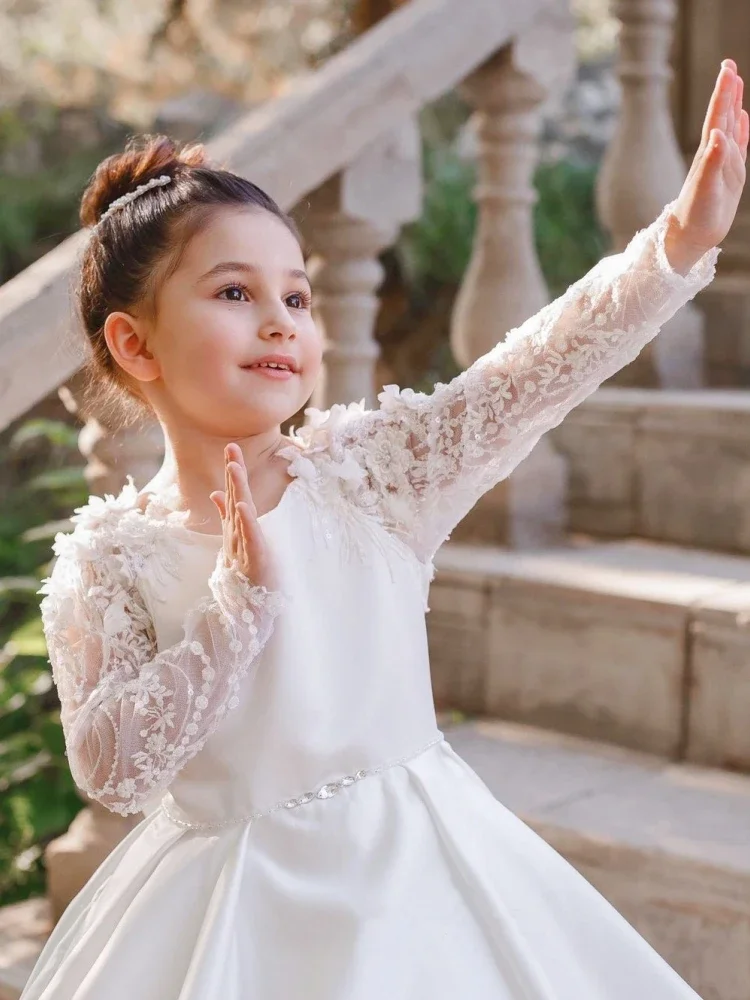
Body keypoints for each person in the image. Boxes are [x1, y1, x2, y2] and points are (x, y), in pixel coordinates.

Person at [20, 59, 747, 1000]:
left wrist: (675, 248)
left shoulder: (369, 473)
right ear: (135, 344)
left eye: (296, 296)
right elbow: (114, 770)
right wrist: (233, 615)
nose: (280, 322)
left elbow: (527, 375)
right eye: (234, 293)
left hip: (416, 879)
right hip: (224, 916)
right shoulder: (109, 557)